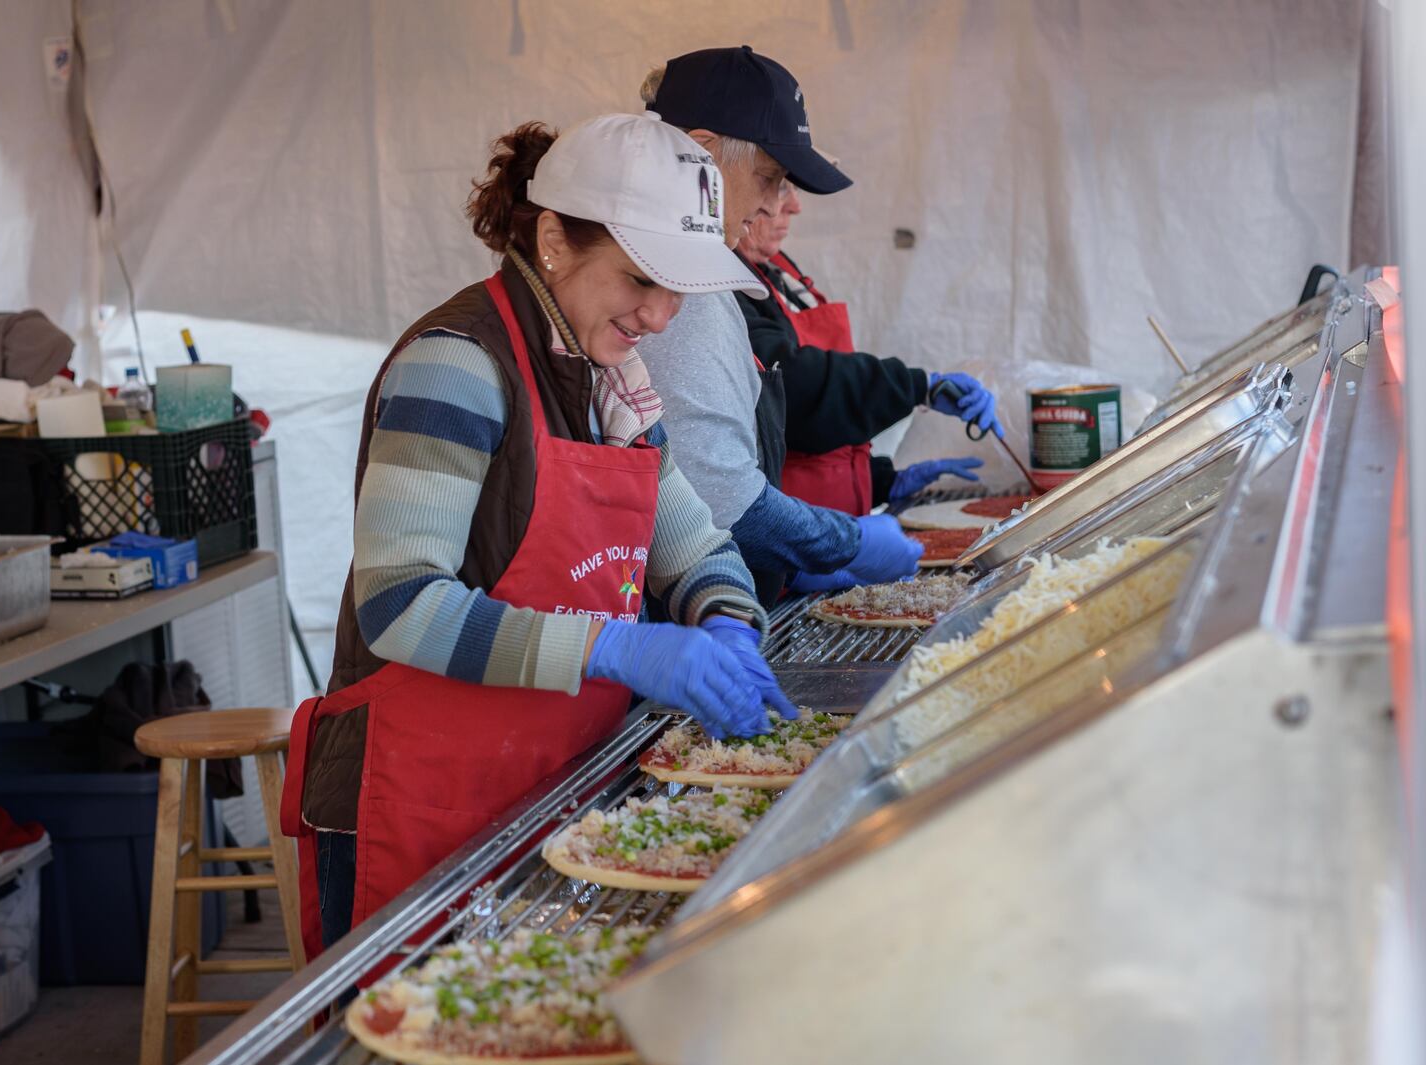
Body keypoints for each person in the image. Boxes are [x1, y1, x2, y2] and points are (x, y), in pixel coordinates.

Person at [281, 113, 795, 958]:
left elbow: (697, 547)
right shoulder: (455, 365)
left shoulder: (613, 386)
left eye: (680, 291)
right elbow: (401, 605)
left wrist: (728, 624)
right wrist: (617, 650)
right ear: (552, 240)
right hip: (421, 803)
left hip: (545, 790)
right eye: (641, 280)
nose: (662, 317)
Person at [633, 46, 928, 602]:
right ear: (702, 155)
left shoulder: (707, 275)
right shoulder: (678, 293)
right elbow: (721, 500)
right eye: (770, 177)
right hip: (684, 610)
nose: (775, 205)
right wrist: (842, 542)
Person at [736, 179, 1000, 515]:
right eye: (781, 186)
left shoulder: (779, 271)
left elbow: (823, 431)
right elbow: (795, 389)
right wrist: (917, 386)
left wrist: (881, 481)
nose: (794, 206)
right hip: (790, 526)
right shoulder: (723, 288)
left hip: (833, 516)